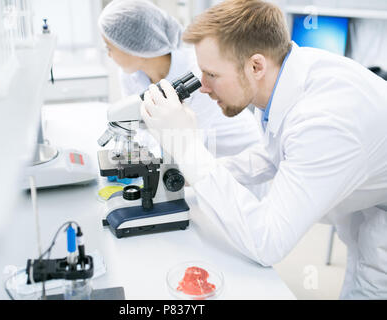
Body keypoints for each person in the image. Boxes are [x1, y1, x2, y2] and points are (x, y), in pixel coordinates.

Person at [141, 0, 387, 299]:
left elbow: (267, 244)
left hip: (381, 215)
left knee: (369, 287)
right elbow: (273, 155)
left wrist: (188, 147)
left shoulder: (324, 123)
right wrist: (194, 173)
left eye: (212, 74)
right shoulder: (284, 75)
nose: (203, 87)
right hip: (367, 200)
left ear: (256, 65)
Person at [98, 0, 262, 159]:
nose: (108, 54)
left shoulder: (199, 73)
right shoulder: (130, 75)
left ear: (132, 46)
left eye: (109, 47)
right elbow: (142, 128)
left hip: (238, 158)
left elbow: (191, 142)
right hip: (196, 163)